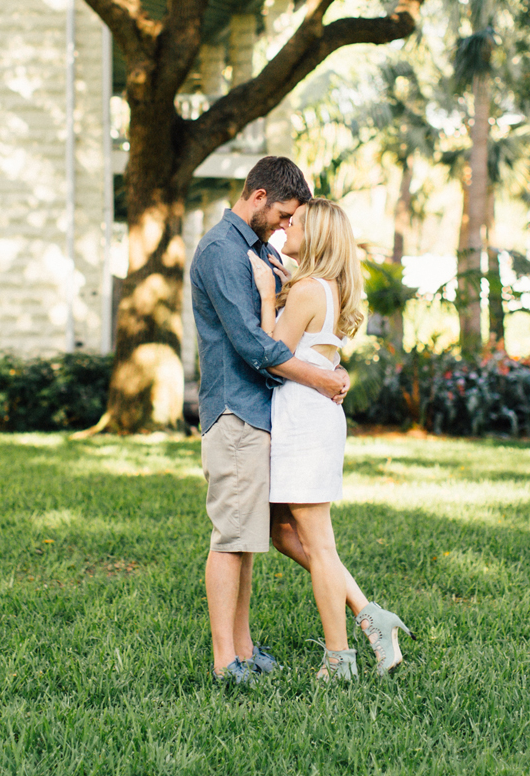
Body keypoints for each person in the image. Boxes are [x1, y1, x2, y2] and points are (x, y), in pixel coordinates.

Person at [189, 156, 349, 683]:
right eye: (282, 214)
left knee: (248, 542)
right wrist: (321, 378)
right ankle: (224, 662)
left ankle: (245, 648)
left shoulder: (254, 250)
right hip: (235, 409)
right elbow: (254, 345)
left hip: (259, 412)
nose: (286, 226)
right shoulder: (221, 250)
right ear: (257, 197)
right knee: (229, 540)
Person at [249, 198, 413, 681]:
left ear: (315, 235)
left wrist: (264, 295)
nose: (285, 228)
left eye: (294, 223)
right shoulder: (322, 286)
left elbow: (270, 353)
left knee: (319, 546)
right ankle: (371, 614)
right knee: (281, 530)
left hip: (304, 420)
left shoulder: (306, 291)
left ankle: (340, 658)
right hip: (309, 415)